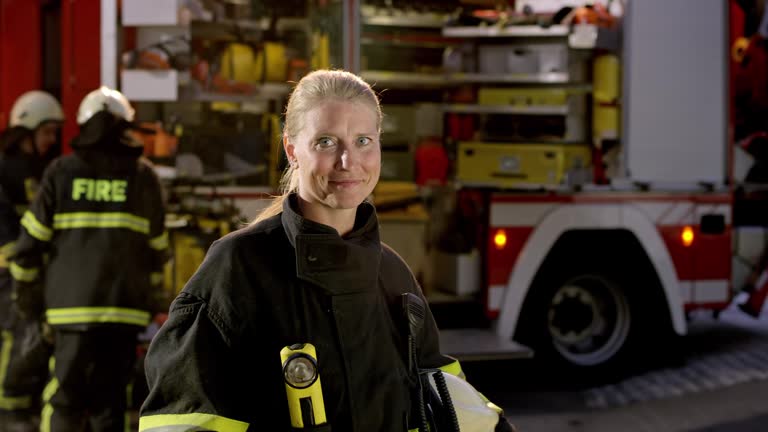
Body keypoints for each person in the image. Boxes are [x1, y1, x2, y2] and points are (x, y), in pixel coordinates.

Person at [139, 70, 514, 432]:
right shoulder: (238, 269)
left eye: (363, 141)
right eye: (326, 142)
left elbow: (450, 407)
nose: (348, 162)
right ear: (292, 149)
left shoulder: (393, 277)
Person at [10, 86, 168, 432]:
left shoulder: (60, 172)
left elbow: (28, 247)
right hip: (123, 314)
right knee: (110, 407)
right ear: (126, 127)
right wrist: (151, 301)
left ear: (82, 126)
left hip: (68, 314)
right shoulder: (144, 178)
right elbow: (160, 251)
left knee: (64, 401)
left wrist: (29, 302)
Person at [0, 90, 64, 431]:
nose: (51, 140)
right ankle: (8, 410)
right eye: (47, 132)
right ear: (26, 130)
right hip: (8, 270)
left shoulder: (45, 171)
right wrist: (17, 251)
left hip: (37, 270)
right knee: (15, 336)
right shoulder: (4, 169)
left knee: (35, 338)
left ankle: (22, 406)